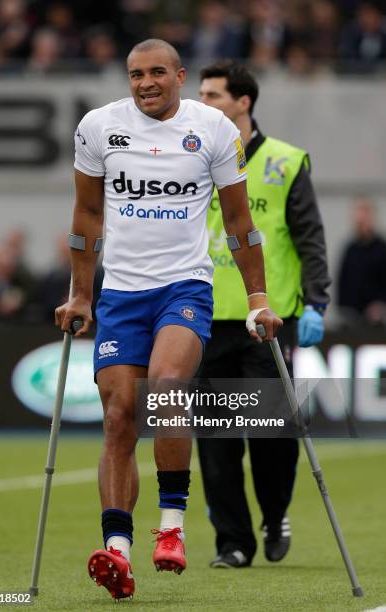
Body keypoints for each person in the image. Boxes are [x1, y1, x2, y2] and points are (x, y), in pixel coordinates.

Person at [55, 39, 282, 601]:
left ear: (180, 76)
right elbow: (86, 217)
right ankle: (117, 551)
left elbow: (239, 223)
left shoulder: (213, 130)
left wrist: (257, 298)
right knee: (117, 418)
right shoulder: (98, 127)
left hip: (184, 287)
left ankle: (173, 530)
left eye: (158, 72)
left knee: (169, 389)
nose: (146, 83)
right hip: (122, 294)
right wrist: (80, 296)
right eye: (136, 74)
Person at [198, 60, 330, 569]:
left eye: (212, 95)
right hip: (204, 319)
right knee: (215, 441)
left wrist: (316, 302)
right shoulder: (195, 160)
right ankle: (232, 542)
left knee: (271, 436)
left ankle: (275, 515)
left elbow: (309, 239)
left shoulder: (285, 161)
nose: (203, 103)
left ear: (243, 101)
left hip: (266, 322)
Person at [337, 197, 386, 324]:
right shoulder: (350, 249)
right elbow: (343, 282)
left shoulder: (382, 249)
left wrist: (380, 305)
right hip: (352, 319)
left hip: (378, 321)